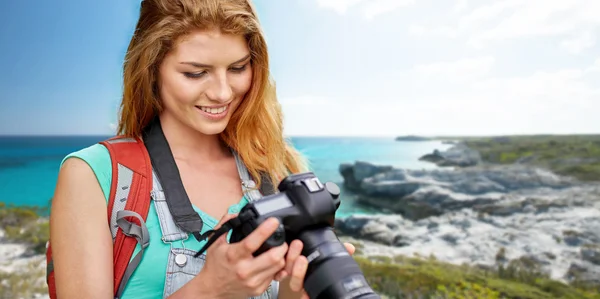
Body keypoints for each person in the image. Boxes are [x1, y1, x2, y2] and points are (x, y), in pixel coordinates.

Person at [48, 0, 355, 298]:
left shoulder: (277, 169)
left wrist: (295, 290)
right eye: (195, 73)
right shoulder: (93, 175)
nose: (222, 93)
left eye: (238, 68)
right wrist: (211, 290)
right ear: (151, 69)